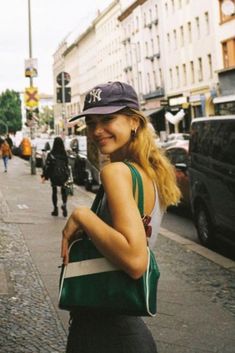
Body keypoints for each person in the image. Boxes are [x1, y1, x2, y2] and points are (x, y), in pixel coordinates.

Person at [61, 81, 181, 353]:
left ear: (134, 122)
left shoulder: (116, 173)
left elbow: (135, 260)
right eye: (91, 122)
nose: (96, 130)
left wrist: (82, 216)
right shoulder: (147, 172)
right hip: (126, 330)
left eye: (108, 119)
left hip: (105, 333)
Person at [41, 136, 69, 217]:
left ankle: (55, 209)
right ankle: (64, 204)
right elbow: (67, 165)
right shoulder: (64, 154)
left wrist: (45, 176)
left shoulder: (51, 154)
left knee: (54, 191)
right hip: (63, 175)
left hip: (54, 175)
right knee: (64, 190)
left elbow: (47, 166)